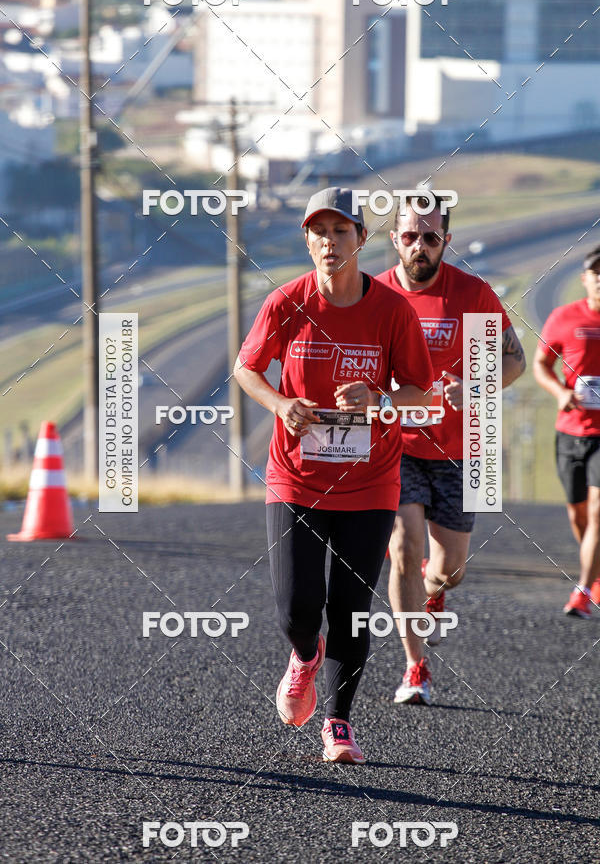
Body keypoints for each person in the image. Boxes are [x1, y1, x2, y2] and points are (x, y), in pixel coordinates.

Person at [233, 187, 433, 762]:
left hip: (370, 481)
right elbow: (246, 369)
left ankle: (339, 722)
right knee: (297, 609)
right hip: (295, 476)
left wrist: (379, 398)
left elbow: (422, 396)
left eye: (341, 231)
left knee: (350, 606)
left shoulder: (392, 310)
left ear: (362, 240)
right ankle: (303, 657)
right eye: (319, 232)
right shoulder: (285, 303)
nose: (329, 241)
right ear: (307, 240)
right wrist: (279, 404)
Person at [376, 194, 526, 704]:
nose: (420, 246)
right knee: (403, 546)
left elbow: (514, 360)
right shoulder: (374, 294)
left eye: (431, 237)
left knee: (450, 569)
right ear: (394, 238)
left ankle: (434, 591)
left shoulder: (473, 293)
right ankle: (415, 666)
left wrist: (478, 386)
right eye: (410, 236)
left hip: (465, 449)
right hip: (397, 445)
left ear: (447, 242)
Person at [533, 245, 600, 619]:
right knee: (579, 515)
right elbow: (541, 364)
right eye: (597, 272)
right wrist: (559, 392)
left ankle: (582, 591)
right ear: (585, 279)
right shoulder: (563, 317)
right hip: (571, 432)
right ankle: (596, 574)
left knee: (597, 508)